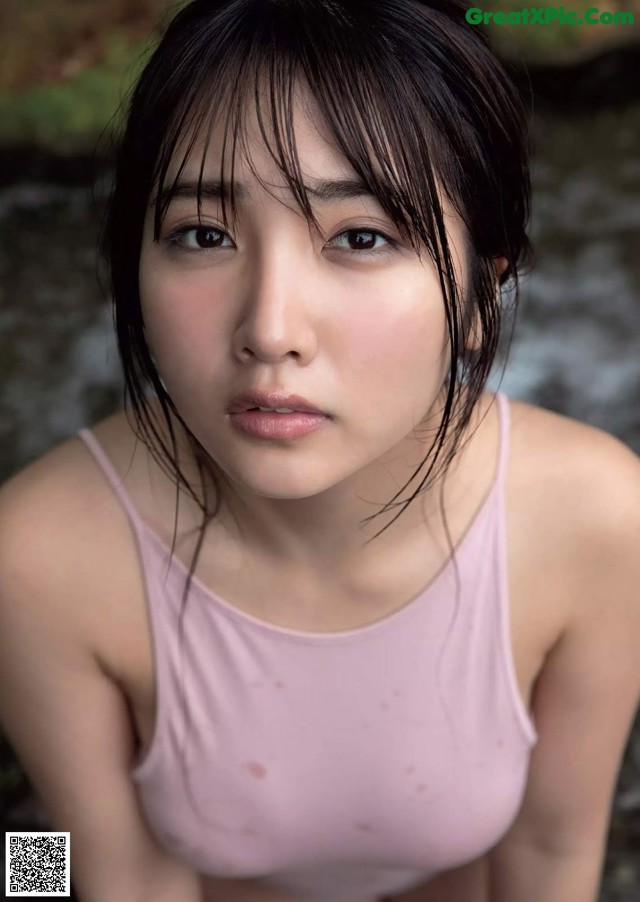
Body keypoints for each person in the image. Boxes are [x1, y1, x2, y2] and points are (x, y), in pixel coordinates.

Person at [0, 0, 639, 900]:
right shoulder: (30, 553)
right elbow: (122, 876)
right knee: (29, 866)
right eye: (203, 234)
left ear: (481, 294)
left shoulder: (602, 520)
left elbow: (552, 851)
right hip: (153, 873)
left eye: (360, 237)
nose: (270, 330)